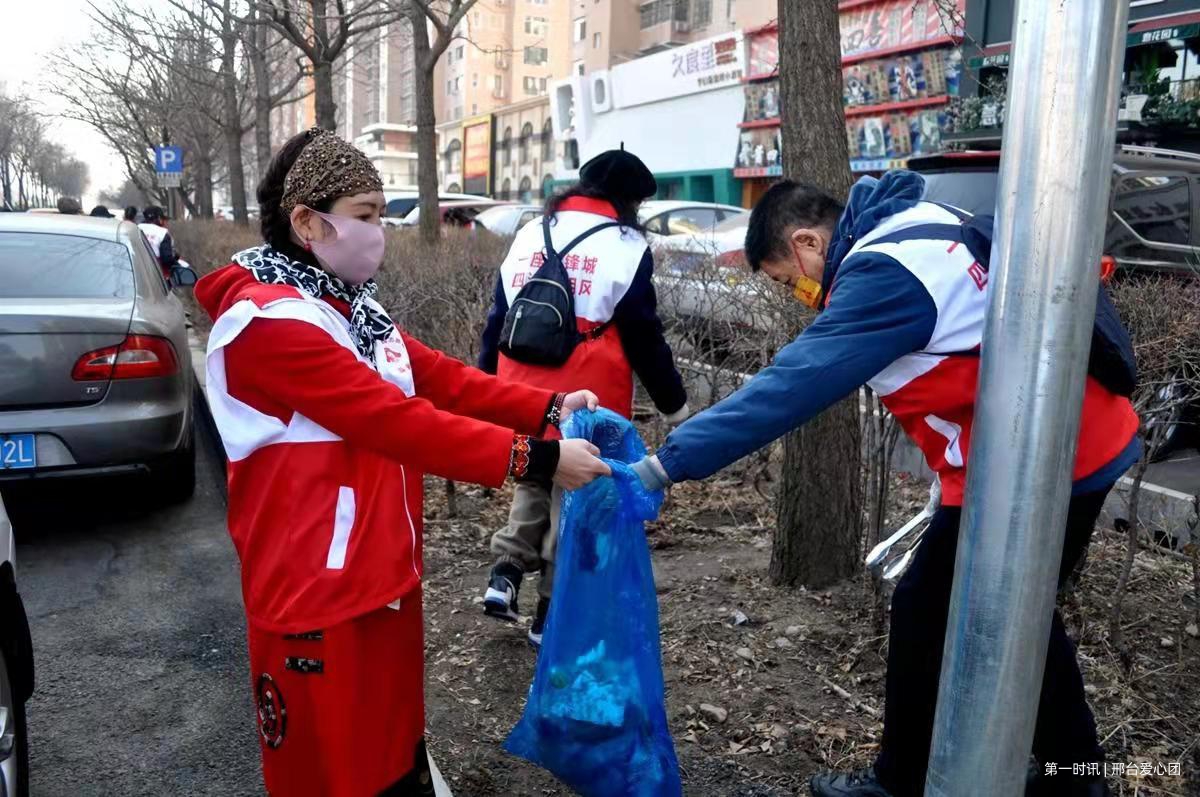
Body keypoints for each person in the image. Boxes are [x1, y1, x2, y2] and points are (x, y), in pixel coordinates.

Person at [631, 173, 1140, 797]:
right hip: (1057, 444)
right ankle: (1074, 773)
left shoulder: (882, 276)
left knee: (937, 611)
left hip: (1043, 463)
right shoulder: (918, 223)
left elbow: (790, 386)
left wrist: (666, 463)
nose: (799, 295)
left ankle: (906, 782)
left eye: (787, 280)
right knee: (1019, 615)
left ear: (808, 243)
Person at [194, 128, 611, 796]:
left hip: (383, 576)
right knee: (328, 773)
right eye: (365, 215)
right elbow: (393, 421)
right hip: (315, 595)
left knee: (391, 758)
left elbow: (441, 378)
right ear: (307, 221)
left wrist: (550, 408)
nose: (378, 232)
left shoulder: (352, 310)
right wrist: (540, 460)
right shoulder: (268, 323)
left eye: (380, 214)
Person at [478, 146, 690, 647]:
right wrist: (674, 404)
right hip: (586, 395)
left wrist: (484, 387)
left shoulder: (534, 230)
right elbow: (643, 335)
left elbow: (497, 316)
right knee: (574, 500)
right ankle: (548, 616)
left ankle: (504, 574)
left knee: (534, 473)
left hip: (517, 384)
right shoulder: (626, 244)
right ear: (631, 201)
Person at [139, 205, 180, 277]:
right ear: (159, 218)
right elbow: (166, 259)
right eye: (163, 219)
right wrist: (176, 263)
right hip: (155, 275)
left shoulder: (135, 228)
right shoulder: (162, 233)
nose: (164, 222)